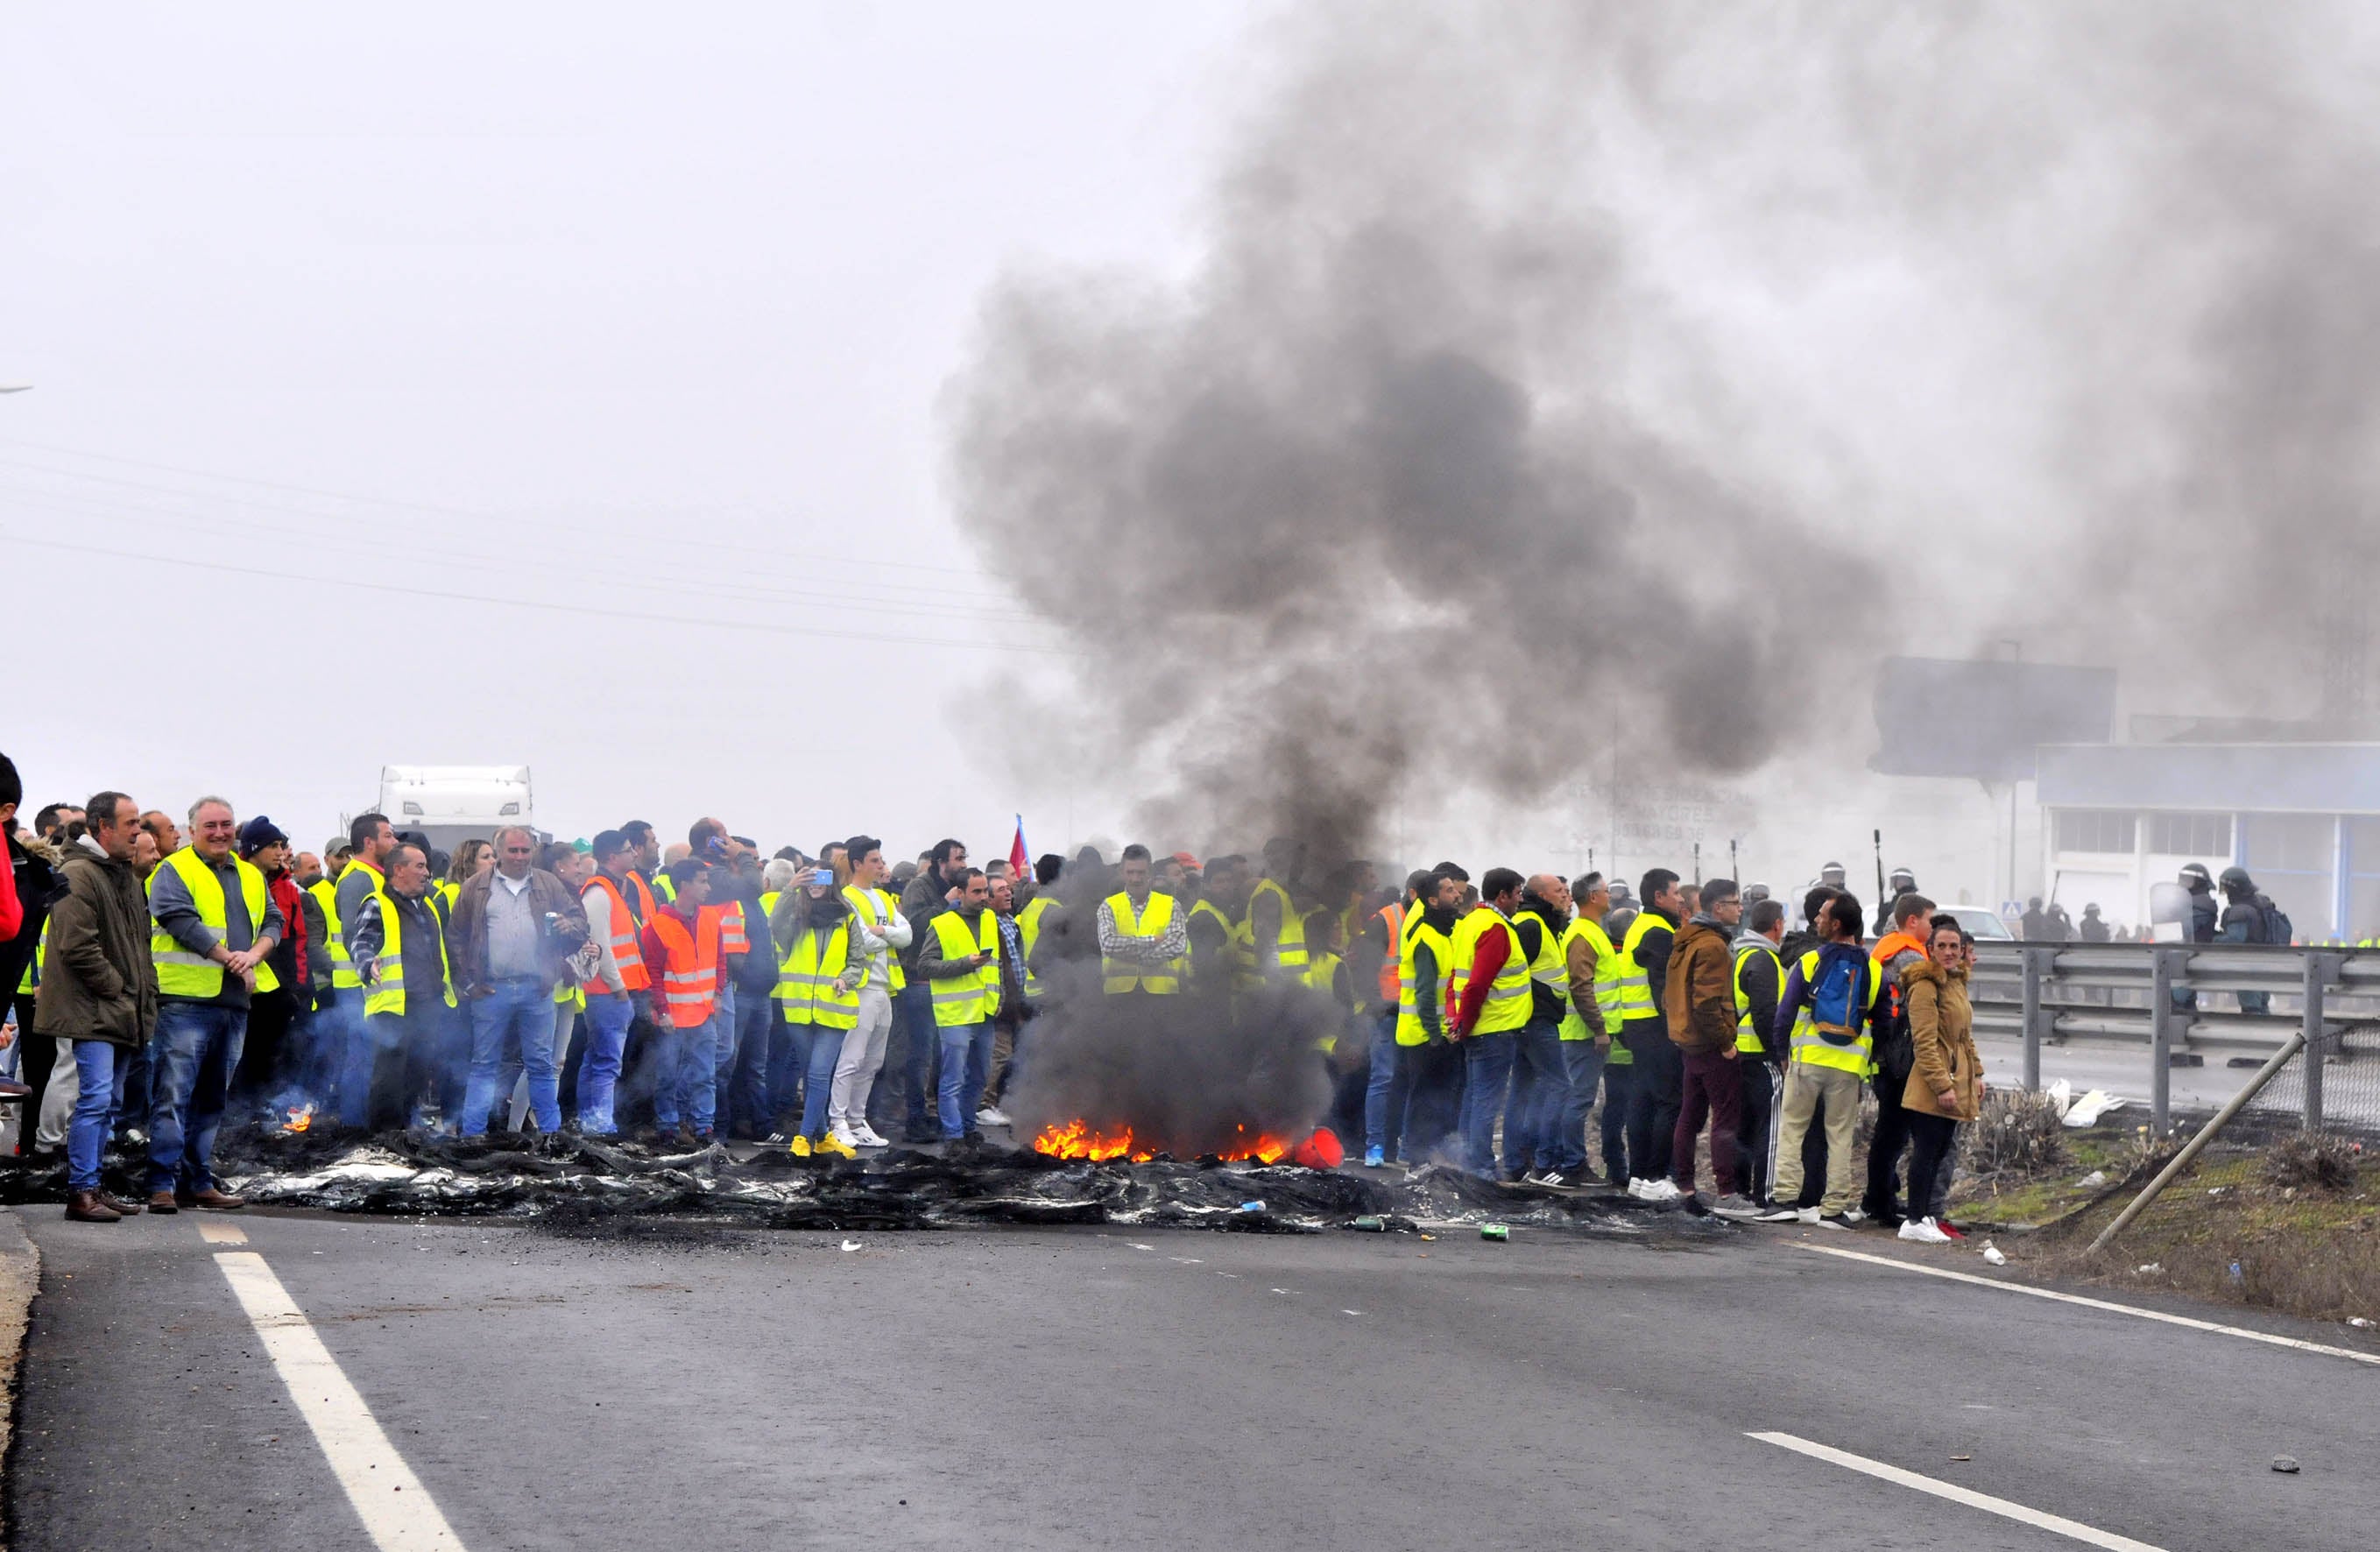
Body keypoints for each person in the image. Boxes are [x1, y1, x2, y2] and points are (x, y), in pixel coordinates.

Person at [146, 795, 283, 1211]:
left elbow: (274, 921)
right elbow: (177, 919)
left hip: (233, 1003)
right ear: (192, 831)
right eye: (210, 826)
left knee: (212, 1099)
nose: (220, 832)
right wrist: (231, 958)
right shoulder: (173, 869)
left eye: (226, 824)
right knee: (173, 1095)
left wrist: (254, 955)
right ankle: (161, 1184)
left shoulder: (250, 874)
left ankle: (197, 1180)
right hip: (185, 1000)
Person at [39, 793, 156, 1222]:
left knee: (108, 1103)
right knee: (95, 1100)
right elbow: (76, 946)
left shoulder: (122, 875)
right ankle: (82, 1192)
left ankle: (93, 1186)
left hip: (117, 1009)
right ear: (103, 827)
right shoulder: (79, 873)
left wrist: (139, 995)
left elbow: (140, 947)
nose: (138, 833)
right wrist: (120, 989)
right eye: (131, 824)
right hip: (95, 1011)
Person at [445, 825, 590, 1139]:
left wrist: (569, 928)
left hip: (536, 990)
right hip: (491, 990)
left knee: (541, 1065)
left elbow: (581, 925)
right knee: (484, 1064)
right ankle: (473, 1136)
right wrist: (468, 984)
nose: (520, 857)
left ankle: (551, 1135)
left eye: (525, 850)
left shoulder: (548, 884)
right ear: (499, 852)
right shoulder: (476, 887)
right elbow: (455, 936)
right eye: (513, 850)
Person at [1762, 894, 1878, 1227]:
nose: (1816, 920)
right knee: (1840, 1137)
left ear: (1837, 924)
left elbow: (1784, 1015)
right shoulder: (1872, 968)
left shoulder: (1811, 961)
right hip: (1848, 1066)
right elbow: (1882, 1019)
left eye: (1823, 916)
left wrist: (1782, 1053)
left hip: (1807, 1061)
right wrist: (1868, 1066)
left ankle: (1784, 1200)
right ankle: (1834, 1209)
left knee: (1793, 1129)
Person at [1663, 878, 1758, 1217]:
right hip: (1711, 1046)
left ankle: (1686, 1186)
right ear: (1718, 908)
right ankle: (1727, 1192)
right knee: (1726, 1119)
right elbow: (1707, 1003)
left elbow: (1672, 996)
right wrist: (1725, 1043)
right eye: (1735, 902)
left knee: (1690, 1115)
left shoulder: (1686, 941)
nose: (1740, 908)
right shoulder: (1713, 946)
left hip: (1688, 1042)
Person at [343, 843, 454, 1131]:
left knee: (417, 1072)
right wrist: (368, 964)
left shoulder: (428, 904)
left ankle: (404, 1132)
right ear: (398, 870)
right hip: (393, 1004)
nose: (427, 873)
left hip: (427, 1004)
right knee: (390, 1074)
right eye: (419, 866)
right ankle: (383, 1138)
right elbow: (360, 942)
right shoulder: (377, 903)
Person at [1897, 914, 1981, 1245]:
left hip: (1956, 1077)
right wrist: (1942, 1085)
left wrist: (1978, 1074)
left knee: (1941, 1148)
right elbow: (1925, 1041)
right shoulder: (1925, 986)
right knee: (1927, 1150)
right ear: (1929, 949)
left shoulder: (1956, 982)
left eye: (1954, 946)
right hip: (1933, 1081)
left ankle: (1926, 1216)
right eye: (1942, 946)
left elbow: (1965, 1036)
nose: (1949, 952)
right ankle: (1914, 1219)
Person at [1447, 868, 1530, 1178]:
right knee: (1486, 1100)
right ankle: (1480, 1166)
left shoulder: (1472, 921)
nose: (1521, 900)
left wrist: (1460, 1022)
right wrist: (1464, 1024)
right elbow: (1478, 984)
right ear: (1502, 896)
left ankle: (1468, 1159)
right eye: (1518, 893)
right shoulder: (1495, 928)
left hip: (1480, 1028)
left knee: (1474, 1095)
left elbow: (1459, 977)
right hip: (1494, 1028)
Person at [1861, 892, 1937, 1228]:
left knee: (1887, 1131)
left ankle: (1877, 1197)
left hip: (1881, 1051)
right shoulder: (1909, 957)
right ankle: (1881, 1201)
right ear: (1912, 921)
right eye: (1929, 920)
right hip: (1898, 1055)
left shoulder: (1884, 947)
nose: (1932, 928)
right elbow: (1920, 1005)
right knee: (1893, 1133)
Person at [773, 867, 859, 1159]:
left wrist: (846, 978)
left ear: (831, 882)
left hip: (834, 1009)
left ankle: (803, 1137)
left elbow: (857, 961)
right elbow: (774, 924)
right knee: (813, 1075)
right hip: (799, 1009)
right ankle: (823, 1138)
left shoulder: (847, 918)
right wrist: (790, 889)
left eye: (820, 878)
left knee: (819, 1074)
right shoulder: (796, 917)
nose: (814, 885)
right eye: (808, 879)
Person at [830, 836, 909, 1150]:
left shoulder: (885, 899)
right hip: (859, 988)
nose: (881, 865)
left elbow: (907, 936)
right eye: (875, 861)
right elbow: (861, 941)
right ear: (858, 864)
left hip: (884, 988)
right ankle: (837, 1121)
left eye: (881, 860)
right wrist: (889, 935)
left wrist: (885, 933)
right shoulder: (847, 897)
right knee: (851, 1059)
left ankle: (857, 1119)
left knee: (874, 1061)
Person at [637, 859, 722, 1144]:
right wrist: (662, 1011)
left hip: (703, 1012)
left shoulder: (711, 919)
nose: (708, 887)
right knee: (668, 1076)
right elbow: (653, 973)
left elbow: (719, 962)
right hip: (673, 1016)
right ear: (684, 885)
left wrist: (718, 995)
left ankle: (703, 1127)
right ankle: (669, 1127)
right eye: (702, 881)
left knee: (704, 1075)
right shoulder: (657, 926)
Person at [232, 815, 311, 1115]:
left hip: (277, 989)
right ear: (253, 848)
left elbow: (297, 940)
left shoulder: (288, 889)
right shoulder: (234, 879)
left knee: (271, 1055)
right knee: (241, 1056)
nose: (281, 852)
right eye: (273, 845)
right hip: (241, 983)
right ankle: (237, 1116)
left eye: (282, 845)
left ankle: (261, 1116)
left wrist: (298, 986)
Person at [1550, 871, 1624, 1187]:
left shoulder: (1589, 930)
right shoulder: (1583, 933)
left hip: (1584, 1032)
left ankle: (1567, 1161)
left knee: (1577, 1099)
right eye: (1607, 892)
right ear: (1593, 897)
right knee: (1578, 1100)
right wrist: (1599, 1029)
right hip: (1583, 1034)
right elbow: (1581, 986)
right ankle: (1572, 1165)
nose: (1611, 896)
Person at [892, 839, 968, 1142]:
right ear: (941, 862)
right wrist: (945, 905)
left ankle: (933, 1113)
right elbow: (915, 927)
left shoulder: (959, 887)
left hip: (946, 983)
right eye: (958, 858)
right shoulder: (920, 887)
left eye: (964, 858)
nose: (962, 863)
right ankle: (914, 1118)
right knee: (920, 1056)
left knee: (940, 1056)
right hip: (919, 983)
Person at [919, 868, 1001, 1142]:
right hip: (955, 1015)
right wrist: (965, 964)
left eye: (986, 891)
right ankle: (953, 1135)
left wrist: (998, 997)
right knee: (953, 1080)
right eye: (977, 892)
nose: (983, 897)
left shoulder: (990, 918)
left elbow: (996, 964)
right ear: (960, 893)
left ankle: (967, 1127)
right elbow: (925, 965)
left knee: (980, 1076)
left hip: (985, 1012)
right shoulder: (942, 924)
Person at [1617, 868, 1684, 1200]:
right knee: (1669, 1101)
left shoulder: (1640, 925)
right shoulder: (1658, 931)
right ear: (1659, 897)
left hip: (1636, 1024)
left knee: (1643, 1100)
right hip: (1656, 1027)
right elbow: (1664, 987)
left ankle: (1639, 1176)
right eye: (1676, 892)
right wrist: (1676, 1025)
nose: (1681, 898)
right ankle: (1657, 1177)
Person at [1393, 871, 1464, 1164]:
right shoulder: (1426, 937)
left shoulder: (1443, 932)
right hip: (1423, 1035)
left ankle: (1431, 1155)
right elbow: (1424, 993)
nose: (1457, 894)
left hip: (1438, 1034)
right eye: (1449, 891)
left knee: (1437, 1099)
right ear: (1432, 900)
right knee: (1422, 1099)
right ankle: (1413, 1158)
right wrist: (1435, 1034)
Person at [1359, 871, 1427, 1168]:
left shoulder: (1427, 921)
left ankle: (1393, 1147)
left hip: (1413, 1016)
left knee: (1405, 1081)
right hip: (1388, 1014)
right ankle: (1374, 1146)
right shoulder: (1387, 920)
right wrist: (1376, 1004)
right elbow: (1363, 965)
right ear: (1414, 893)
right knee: (1383, 1078)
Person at [1729, 898, 1787, 1206]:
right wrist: (1779, 1053)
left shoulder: (1743, 954)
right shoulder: (1764, 959)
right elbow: (1766, 1013)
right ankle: (1765, 1194)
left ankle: (1739, 1190)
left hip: (1742, 1053)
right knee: (1770, 1125)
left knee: (1746, 1126)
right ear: (1777, 925)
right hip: (1760, 1056)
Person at [1099, 844, 1189, 995]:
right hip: (1119, 997)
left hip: (1163, 997)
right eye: (1130, 872)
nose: (1135, 878)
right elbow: (1109, 944)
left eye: (1141, 872)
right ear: (1122, 873)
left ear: (1150, 873)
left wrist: (1138, 958)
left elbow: (1177, 945)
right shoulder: (1109, 906)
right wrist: (1152, 940)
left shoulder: (1171, 904)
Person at [981, 871, 1028, 1125]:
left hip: (1016, 1000)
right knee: (998, 1055)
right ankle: (983, 1105)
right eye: (1001, 890)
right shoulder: (988, 923)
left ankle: (1000, 1102)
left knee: (1012, 1055)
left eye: (1008, 888)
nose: (1008, 893)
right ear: (988, 899)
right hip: (998, 1001)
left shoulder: (1011, 921)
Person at [1246, 837, 1309, 982]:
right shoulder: (1269, 894)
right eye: (1298, 861)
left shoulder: (1281, 893)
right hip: (1281, 993)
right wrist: (1278, 989)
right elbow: (1265, 949)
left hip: (1292, 991)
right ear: (1282, 862)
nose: (1302, 868)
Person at [2216, 866, 2275, 1015]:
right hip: (2265, 964)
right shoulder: (2260, 902)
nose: (2226, 893)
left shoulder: (2240, 910)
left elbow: (2235, 939)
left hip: (2249, 967)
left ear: (2234, 889)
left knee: (2252, 1010)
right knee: (2262, 1008)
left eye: (2227, 889)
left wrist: (2213, 939)